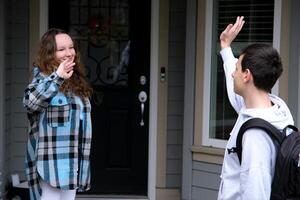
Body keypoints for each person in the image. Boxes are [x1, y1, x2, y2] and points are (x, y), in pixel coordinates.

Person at [217, 16, 294, 200]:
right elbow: (233, 84)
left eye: (237, 68)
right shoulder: (276, 109)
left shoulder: (255, 136)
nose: (232, 74)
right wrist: (225, 46)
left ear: (246, 75)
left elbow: (256, 193)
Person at [23, 28, 93, 200]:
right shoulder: (42, 79)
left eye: (71, 47)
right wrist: (58, 77)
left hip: (72, 161)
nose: (69, 53)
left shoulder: (76, 81)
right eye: (61, 49)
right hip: (48, 164)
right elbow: (30, 103)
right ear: (49, 54)